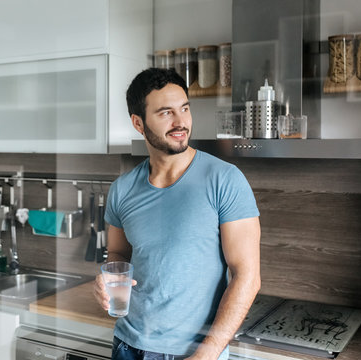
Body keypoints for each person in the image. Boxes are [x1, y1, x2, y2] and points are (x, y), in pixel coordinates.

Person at [93, 68, 261, 360]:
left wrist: (207, 353)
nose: (181, 121)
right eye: (165, 113)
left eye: (184, 108)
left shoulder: (224, 179)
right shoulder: (122, 189)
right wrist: (107, 281)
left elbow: (247, 275)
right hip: (127, 345)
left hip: (193, 353)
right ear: (138, 123)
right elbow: (118, 254)